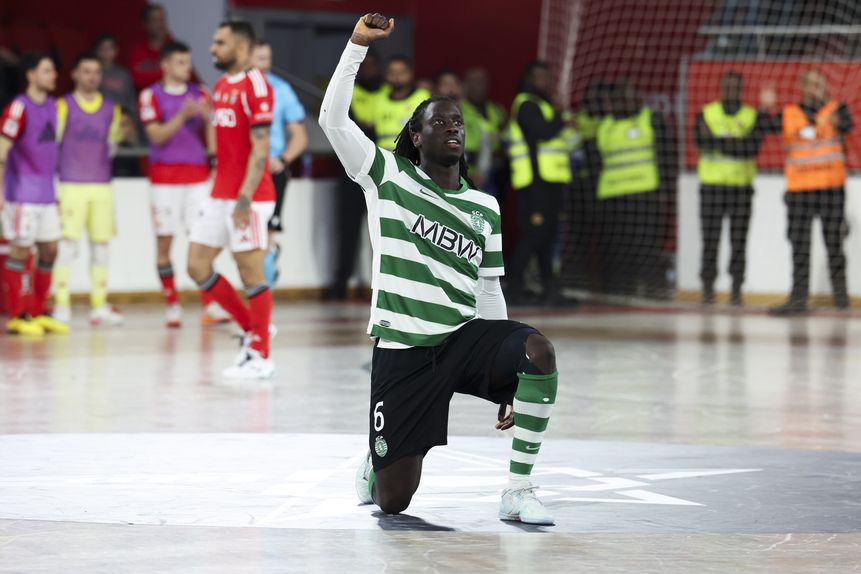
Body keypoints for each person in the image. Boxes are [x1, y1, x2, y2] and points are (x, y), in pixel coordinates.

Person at [319, 13, 560, 525]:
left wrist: (507, 371)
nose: (453, 128)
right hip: (405, 351)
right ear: (416, 134)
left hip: (461, 339)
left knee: (538, 352)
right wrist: (357, 46)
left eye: (459, 123)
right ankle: (377, 461)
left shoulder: (484, 206)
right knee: (394, 501)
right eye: (440, 122)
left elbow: (488, 289)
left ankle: (518, 490)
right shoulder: (386, 175)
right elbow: (333, 123)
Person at [186, 21, 276, 379]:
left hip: (249, 197)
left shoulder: (257, 86)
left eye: (219, 42)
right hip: (220, 192)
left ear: (240, 48)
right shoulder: (221, 85)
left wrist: (243, 200)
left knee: (249, 271)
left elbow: (261, 148)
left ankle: (262, 355)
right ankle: (253, 330)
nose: (212, 49)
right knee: (197, 265)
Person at [139, 40, 228, 328]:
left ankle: (208, 305)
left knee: (201, 240)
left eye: (188, 62)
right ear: (165, 65)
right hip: (164, 178)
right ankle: (172, 304)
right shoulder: (150, 96)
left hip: (197, 177)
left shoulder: (201, 94)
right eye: (180, 62)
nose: (187, 68)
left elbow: (214, 130)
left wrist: (208, 129)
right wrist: (183, 115)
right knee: (164, 241)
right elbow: (156, 136)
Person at [761, 70, 852, 315]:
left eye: (820, 83)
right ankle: (798, 299)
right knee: (799, 247)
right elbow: (762, 127)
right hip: (800, 192)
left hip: (831, 190)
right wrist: (764, 107)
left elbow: (848, 125)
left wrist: (837, 122)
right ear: (802, 87)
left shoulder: (835, 109)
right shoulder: (790, 113)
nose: (817, 88)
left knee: (834, 246)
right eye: (812, 84)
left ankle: (842, 301)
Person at [53, 53, 126, 326]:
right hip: (71, 185)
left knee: (101, 246)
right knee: (67, 246)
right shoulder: (62, 106)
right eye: (86, 71)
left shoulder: (112, 109)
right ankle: (61, 304)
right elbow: (53, 145)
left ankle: (99, 304)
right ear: (75, 74)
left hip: (101, 186)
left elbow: (113, 145)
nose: (92, 77)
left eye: (96, 72)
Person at [0, 53, 69, 335]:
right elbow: (2, 147)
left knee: (50, 249)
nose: (53, 75)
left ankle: (39, 310)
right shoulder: (18, 107)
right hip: (21, 194)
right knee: (19, 249)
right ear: (30, 75)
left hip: (46, 194)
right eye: (47, 70)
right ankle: (18, 314)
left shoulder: (54, 106)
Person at [595, 79, 673, 297]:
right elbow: (596, 162)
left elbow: (666, 154)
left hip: (645, 193)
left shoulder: (652, 119)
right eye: (624, 97)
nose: (630, 101)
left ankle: (649, 289)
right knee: (617, 247)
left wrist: (665, 188)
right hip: (612, 196)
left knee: (646, 246)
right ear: (616, 101)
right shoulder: (605, 126)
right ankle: (616, 290)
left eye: (634, 96)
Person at [694, 71, 765, 306]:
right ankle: (707, 290)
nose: (731, 90)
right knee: (710, 241)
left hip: (740, 189)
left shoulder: (751, 115)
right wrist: (735, 143)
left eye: (736, 86)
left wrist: (718, 142)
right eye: (727, 86)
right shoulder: (706, 113)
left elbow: (751, 148)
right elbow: (701, 144)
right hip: (711, 189)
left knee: (738, 242)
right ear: (721, 87)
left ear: (742, 89)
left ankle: (736, 291)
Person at [505, 61, 574, 305]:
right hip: (536, 181)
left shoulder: (544, 105)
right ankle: (513, 287)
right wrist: (559, 116)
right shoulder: (527, 104)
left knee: (548, 236)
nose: (545, 82)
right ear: (529, 79)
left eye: (547, 77)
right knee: (535, 235)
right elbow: (543, 132)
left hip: (551, 180)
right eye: (539, 77)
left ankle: (549, 289)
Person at [250, 40, 308, 287]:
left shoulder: (281, 90)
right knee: (246, 238)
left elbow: (300, 135)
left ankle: (263, 297)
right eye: (260, 58)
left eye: (267, 58)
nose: (266, 64)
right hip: (244, 170)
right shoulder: (237, 87)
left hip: (271, 171)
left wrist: (282, 159)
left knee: (266, 235)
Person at [330, 49, 383, 300]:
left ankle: (381, 286)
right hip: (351, 171)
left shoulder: (387, 95)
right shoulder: (351, 92)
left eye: (373, 65)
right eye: (365, 65)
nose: (368, 70)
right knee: (347, 231)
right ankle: (341, 283)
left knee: (384, 232)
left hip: (381, 172)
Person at [460, 67, 506, 195]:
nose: (479, 86)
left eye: (482, 82)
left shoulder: (496, 111)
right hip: (464, 174)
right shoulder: (458, 109)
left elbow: (502, 142)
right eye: (474, 82)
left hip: (491, 174)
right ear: (466, 85)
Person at [374, 55, 431, 151]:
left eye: (402, 72)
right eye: (392, 72)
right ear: (385, 74)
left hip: (412, 159)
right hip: (383, 158)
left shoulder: (423, 97)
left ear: (411, 73)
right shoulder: (379, 99)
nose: (397, 77)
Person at [130, 4, 172, 92]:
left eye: (162, 19)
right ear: (145, 24)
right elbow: (136, 79)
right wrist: (165, 75)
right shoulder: (138, 51)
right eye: (155, 20)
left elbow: (181, 77)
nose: (160, 24)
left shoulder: (174, 49)